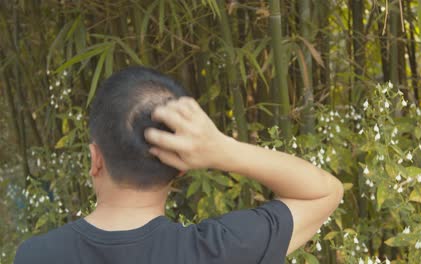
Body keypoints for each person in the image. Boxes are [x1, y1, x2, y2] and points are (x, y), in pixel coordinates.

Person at [14, 66, 344, 264]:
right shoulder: (218, 251)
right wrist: (222, 150)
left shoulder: (35, 256)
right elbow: (323, 192)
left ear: (94, 158)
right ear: (183, 167)